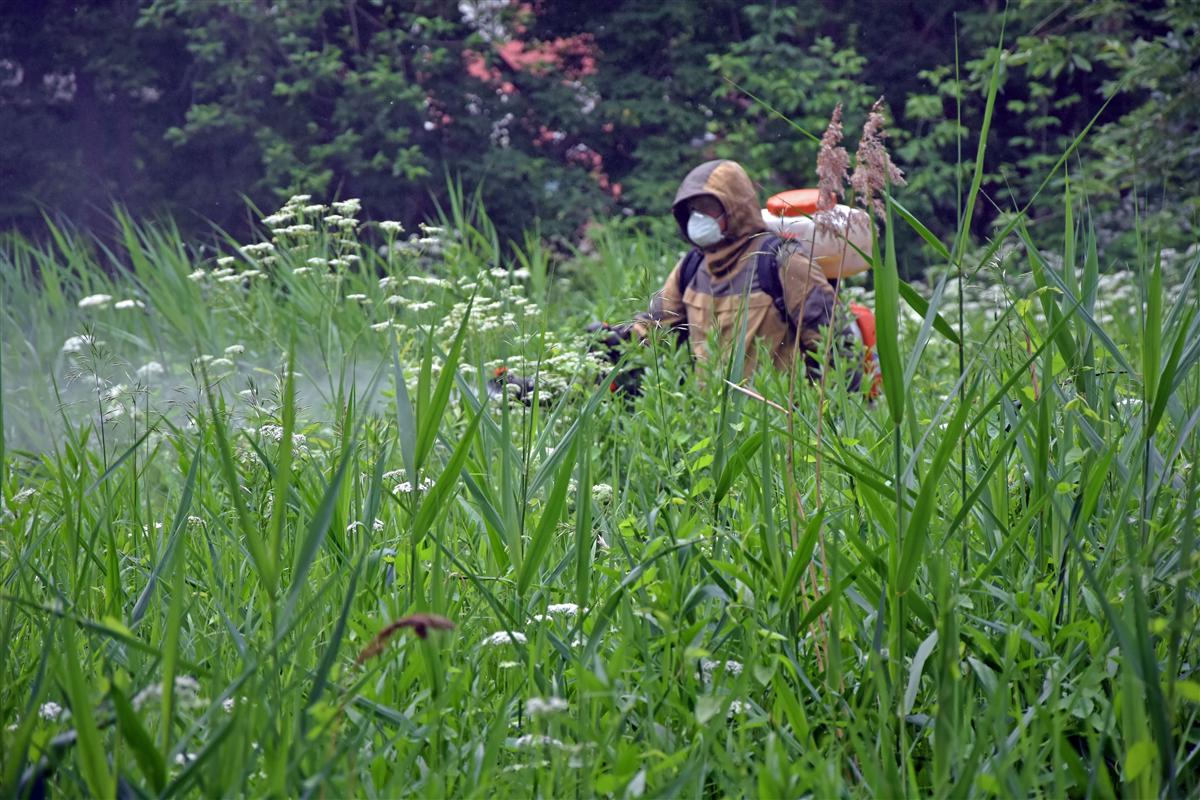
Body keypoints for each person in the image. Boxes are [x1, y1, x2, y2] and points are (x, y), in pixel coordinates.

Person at [596, 159, 868, 389]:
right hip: (711, 423)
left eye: (709, 208)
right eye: (693, 210)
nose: (698, 218)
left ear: (735, 208)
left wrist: (827, 423)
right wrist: (614, 339)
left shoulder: (781, 260)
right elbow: (656, 329)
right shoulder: (692, 267)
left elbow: (833, 345)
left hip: (777, 426)